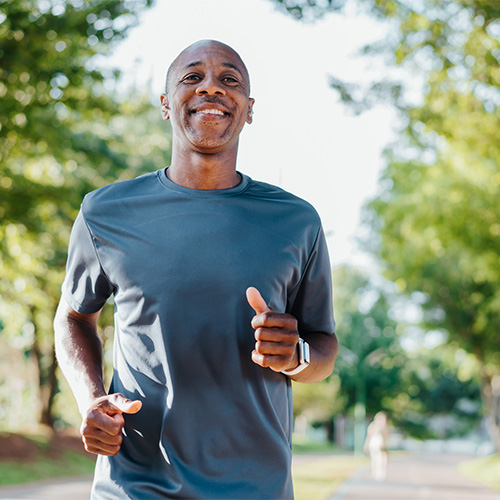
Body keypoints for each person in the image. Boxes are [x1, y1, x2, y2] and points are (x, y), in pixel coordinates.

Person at [54, 39, 338, 499]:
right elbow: (73, 317)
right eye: (192, 77)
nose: (212, 88)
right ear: (166, 105)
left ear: (248, 109)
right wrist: (91, 400)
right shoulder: (104, 212)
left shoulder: (296, 221)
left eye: (230, 80)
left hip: (256, 488)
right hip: (135, 487)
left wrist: (296, 356)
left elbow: (323, 348)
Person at [363, 411, 390, 482]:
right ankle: (375, 471)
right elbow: (369, 436)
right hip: (374, 444)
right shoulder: (372, 426)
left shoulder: (385, 427)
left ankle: (382, 471)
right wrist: (366, 445)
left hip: (382, 445)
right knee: (374, 458)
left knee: (383, 458)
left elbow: (387, 435)